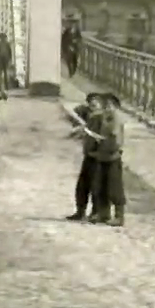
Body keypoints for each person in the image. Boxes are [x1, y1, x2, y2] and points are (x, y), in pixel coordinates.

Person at [82, 92, 128, 227]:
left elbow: (115, 139)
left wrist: (104, 144)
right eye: (105, 105)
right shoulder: (104, 118)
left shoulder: (116, 119)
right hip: (102, 157)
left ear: (115, 106)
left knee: (115, 187)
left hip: (112, 157)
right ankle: (103, 214)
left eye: (109, 105)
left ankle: (119, 217)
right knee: (100, 186)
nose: (106, 107)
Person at [66, 93, 105, 221]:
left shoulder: (104, 118)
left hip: (99, 156)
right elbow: (72, 113)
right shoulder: (91, 116)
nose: (92, 106)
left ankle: (96, 213)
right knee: (82, 185)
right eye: (90, 104)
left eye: (95, 104)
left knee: (96, 186)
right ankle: (80, 211)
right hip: (88, 154)